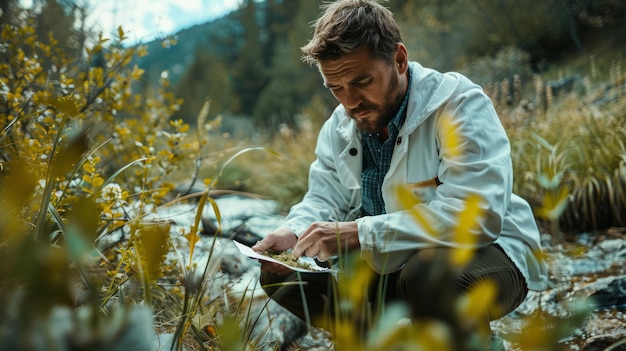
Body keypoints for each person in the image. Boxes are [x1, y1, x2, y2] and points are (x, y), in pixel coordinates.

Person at [252, 0, 547, 346]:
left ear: (400, 59)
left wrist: (358, 233)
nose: (350, 102)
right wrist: (294, 233)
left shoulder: (459, 104)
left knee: (428, 272)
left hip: (493, 254)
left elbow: (477, 216)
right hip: (391, 262)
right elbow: (322, 197)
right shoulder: (339, 124)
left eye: (362, 81)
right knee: (284, 276)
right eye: (336, 88)